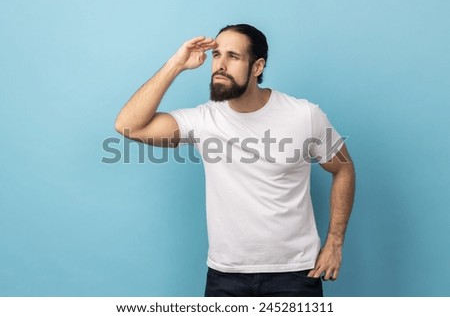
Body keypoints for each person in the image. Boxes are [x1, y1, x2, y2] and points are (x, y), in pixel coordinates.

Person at [115, 24, 356, 297]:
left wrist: (334, 243)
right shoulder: (204, 120)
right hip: (225, 277)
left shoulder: (304, 115)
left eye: (233, 56)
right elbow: (128, 125)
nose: (220, 65)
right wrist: (176, 64)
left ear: (257, 67)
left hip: (296, 274)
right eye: (217, 55)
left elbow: (343, 169)